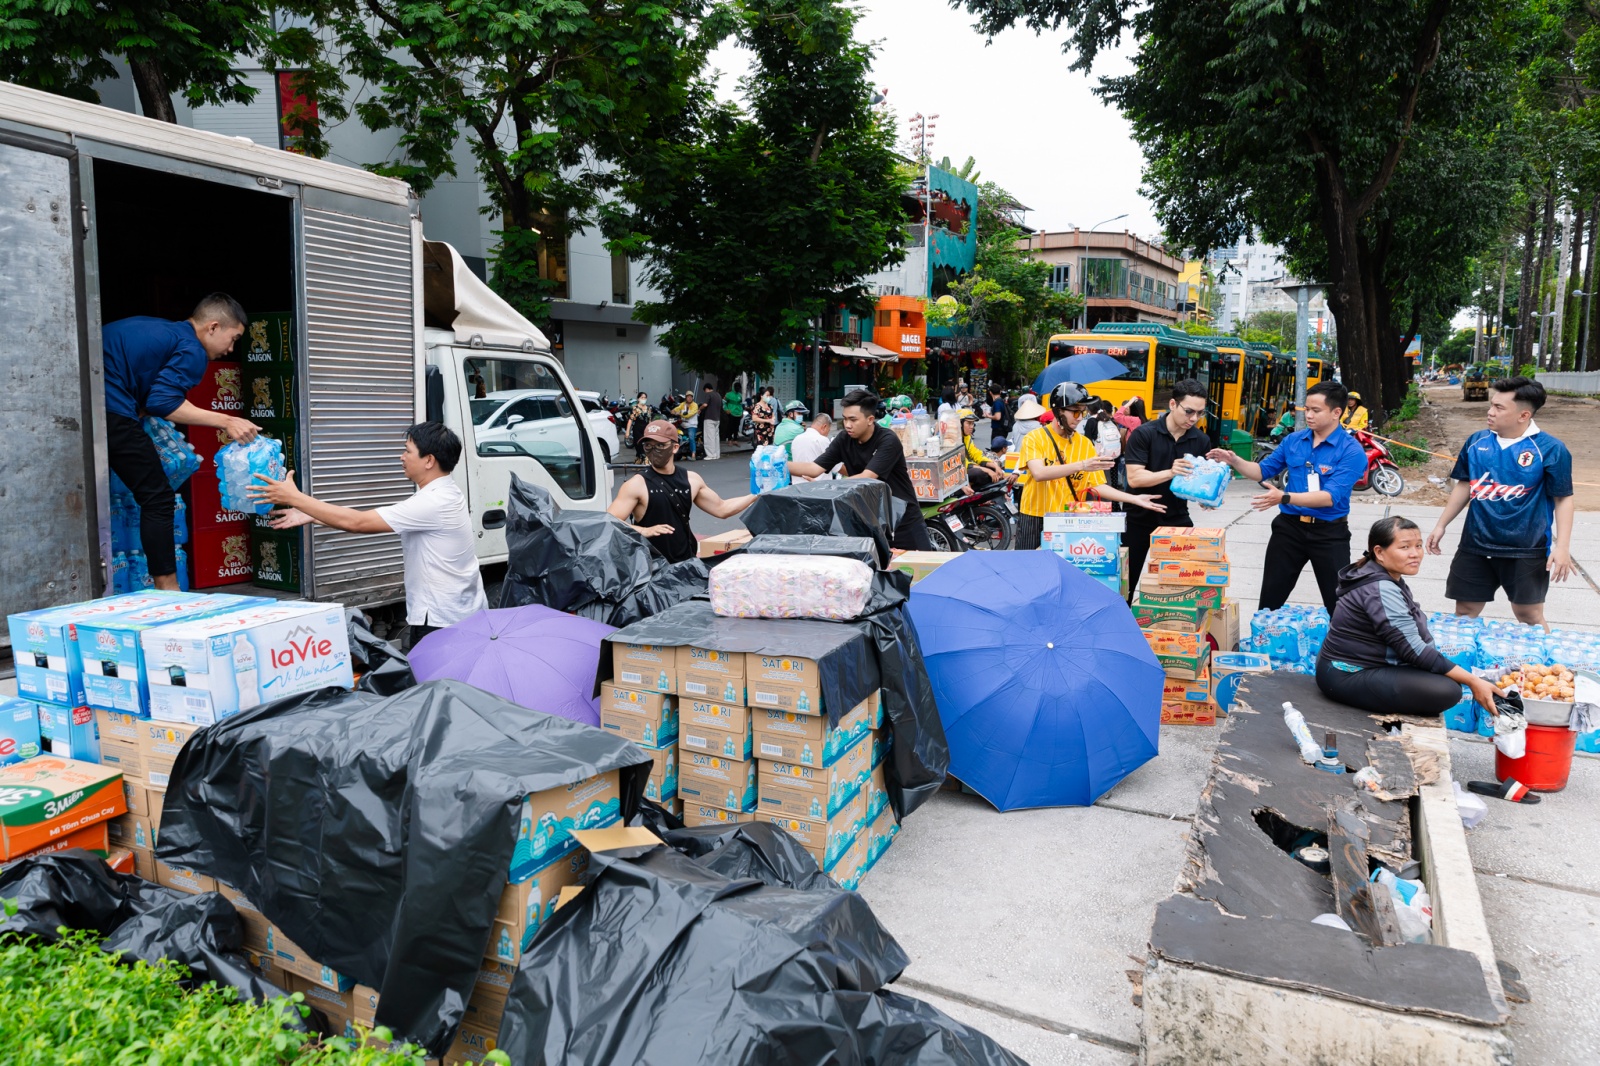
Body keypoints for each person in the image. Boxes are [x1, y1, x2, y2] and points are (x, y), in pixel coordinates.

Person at [250, 423, 485, 648]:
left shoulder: (434, 502)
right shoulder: (444, 494)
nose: (401, 457)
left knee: (437, 686)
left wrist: (294, 497)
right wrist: (311, 515)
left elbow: (358, 522)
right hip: (455, 613)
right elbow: (362, 521)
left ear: (429, 460)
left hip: (441, 621)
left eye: (407, 451)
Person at [104, 294, 260, 590]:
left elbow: (147, 391)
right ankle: (168, 587)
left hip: (89, 403)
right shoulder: (192, 350)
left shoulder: (163, 331)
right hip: (110, 409)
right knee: (158, 497)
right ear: (213, 327)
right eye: (233, 338)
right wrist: (227, 420)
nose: (230, 349)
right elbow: (164, 401)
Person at [1426, 376, 1574, 627]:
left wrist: (1563, 548)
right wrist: (1441, 525)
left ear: (1523, 415)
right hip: (1475, 544)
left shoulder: (1551, 449)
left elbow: (1563, 500)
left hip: (1526, 548)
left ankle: (1541, 667)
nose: (1490, 412)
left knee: (1529, 617)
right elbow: (1465, 484)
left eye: (1499, 407)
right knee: (1465, 612)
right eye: (1492, 405)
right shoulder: (1476, 442)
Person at [1207, 381, 1367, 614]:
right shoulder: (1294, 441)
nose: (1308, 415)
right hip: (1289, 530)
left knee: (1339, 602)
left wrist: (1285, 497)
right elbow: (1262, 471)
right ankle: (1263, 640)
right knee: (1271, 597)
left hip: (1329, 533)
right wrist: (1234, 461)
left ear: (1336, 412)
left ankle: (1340, 648)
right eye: (1306, 409)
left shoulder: (1351, 451)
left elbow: (1329, 497)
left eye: (1316, 410)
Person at [1318, 517, 1502, 718]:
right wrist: (1473, 681)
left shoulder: (1381, 574)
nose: (1415, 554)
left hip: (1351, 666)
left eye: (1418, 546)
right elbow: (1412, 650)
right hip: (1347, 673)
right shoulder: (1380, 589)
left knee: (1446, 673)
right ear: (1379, 552)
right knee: (1447, 690)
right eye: (1405, 547)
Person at [1014, 382, 1167, 550]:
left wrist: (1134, 498)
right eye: (1075, 412)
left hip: (1068, 520)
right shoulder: (1034, 438)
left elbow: (1097, 485)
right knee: (1031, 570)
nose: (1080, 417)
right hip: (1035, 516)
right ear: (1058, 411)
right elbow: (1039, 473)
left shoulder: (1084, 444)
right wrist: (1082, 465)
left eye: (1083, 411)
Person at [788, 389, 933, 549]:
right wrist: (779, 465)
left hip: (904, 524)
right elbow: (814, 468)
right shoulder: (844, 439)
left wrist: (823, 487)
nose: (847, 425)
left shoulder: (888, 440)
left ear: (870, 419)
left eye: (853, 419)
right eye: (844, 419)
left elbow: (867, 477)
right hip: (870, 524)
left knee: (921, 572)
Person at [606, 420, 756, 563]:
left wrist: (756, 495)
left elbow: (722, 509)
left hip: (686, 564)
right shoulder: (636, 485)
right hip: (652, 569)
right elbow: (609, 521)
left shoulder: (692, 480)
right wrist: (644, 531)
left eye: (660, 445)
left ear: (675, 447)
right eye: (648, 446)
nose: (653, 451)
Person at [1123, 380, 1213, 598]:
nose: (1193, 419)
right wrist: (1171, 472)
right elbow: (1134, 479)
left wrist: (1207, 496)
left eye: (1200, 413)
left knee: (1184, 586)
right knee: (1126, 584)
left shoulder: (1201, 440)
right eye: (1189, 411)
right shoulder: (1144, 434)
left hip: (1176, 518)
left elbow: (1197, 483)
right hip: (1138, 518)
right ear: (1173, 404)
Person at [959, 409, 1015, 491]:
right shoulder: (952, 440)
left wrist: (994, 465)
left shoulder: (967, 437)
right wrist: (986, 470)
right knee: (979, 473)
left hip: (967, 467)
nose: (972, 427)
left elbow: (976, 454)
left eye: (973, 423)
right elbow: (962, 463)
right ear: (960, 424)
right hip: (958, 471)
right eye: (969, 423)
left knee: (994, 468)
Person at [672, 392, 700, 459]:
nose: (689, 398)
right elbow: (675, 410)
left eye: (691, 397)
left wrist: (680, 413)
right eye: (688, 397)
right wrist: (673, 411)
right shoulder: (682, 404)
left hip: (691, 425)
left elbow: (689, 415)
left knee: (691, 438)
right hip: (683, 424)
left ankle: (693, 453)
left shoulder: (695, 405)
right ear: (686, 397)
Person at [699, 383, 723, 460]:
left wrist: (700, 409)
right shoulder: (718, 395)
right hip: (717, 418)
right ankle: (716, 454)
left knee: (709, 437)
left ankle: (710, 455)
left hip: (709, 418)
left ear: (706, 389)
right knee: (716, 437)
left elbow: (705, 405)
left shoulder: (709, 394)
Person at [626, 391, 653, 460]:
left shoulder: (648, 408)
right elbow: (630, 420)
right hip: (637, 430)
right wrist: (627, 432)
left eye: (645, 398)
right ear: (638, 399)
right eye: (642, 397)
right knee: (640, 447)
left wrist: (651, 430)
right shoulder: (635, 408)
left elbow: (649, 420)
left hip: (646, 430)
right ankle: (641, 462)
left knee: (647, 447)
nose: (643, 399)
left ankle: (643, 463)